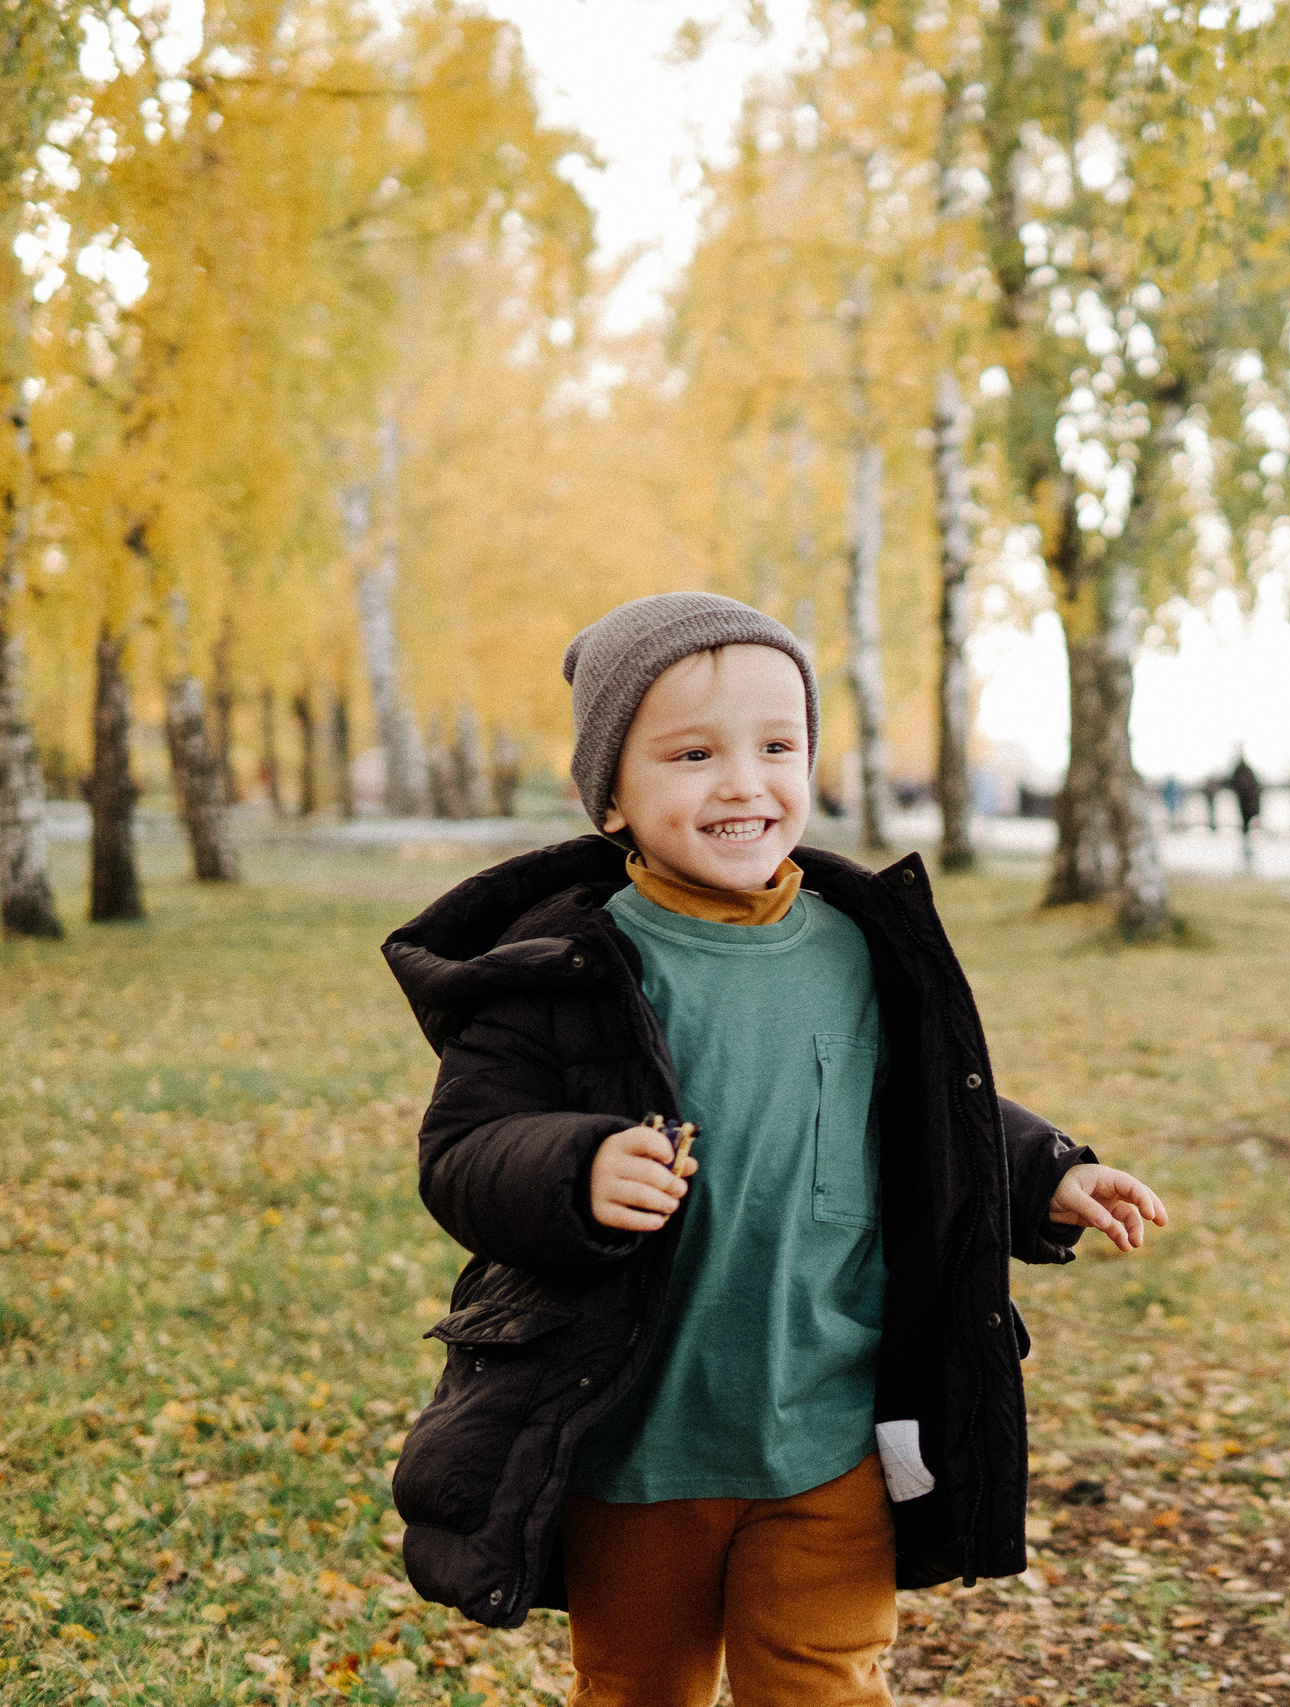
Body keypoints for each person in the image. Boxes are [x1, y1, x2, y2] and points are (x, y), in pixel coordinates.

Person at [380, 592, 1167, 1707]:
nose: (744, 783)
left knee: (824, 1680)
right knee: (637, 1686)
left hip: (827, 1435)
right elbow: (465, 1151)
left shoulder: (860, 947)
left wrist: (1047, 1171)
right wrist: (574, 1167)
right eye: (693, 754)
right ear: (610, 794)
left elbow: (927, 1110)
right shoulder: (561, 965)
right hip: (637, 1440)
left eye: (777, 747)